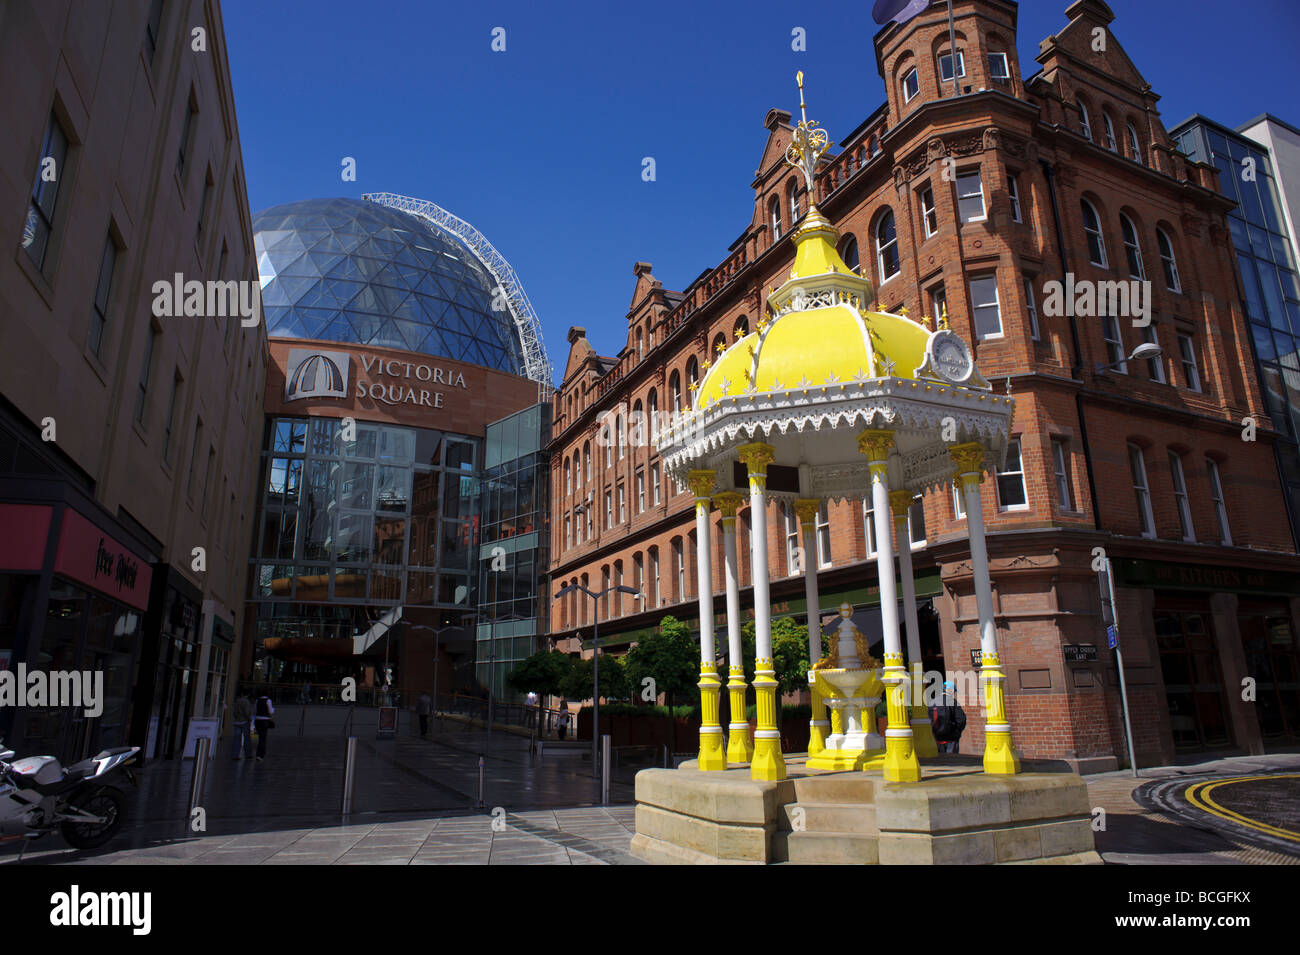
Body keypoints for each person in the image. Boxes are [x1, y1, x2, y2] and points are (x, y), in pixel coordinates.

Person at [931, 680, 967, 754]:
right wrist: (957, 732)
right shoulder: (953, 702)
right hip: (951, 739)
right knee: (952, 761)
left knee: (940, 762)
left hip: (936, 739)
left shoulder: (932, 702)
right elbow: (961, 720)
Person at [253, 689, 276, 761]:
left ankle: (259, 753)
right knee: (263, 738)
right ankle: (260, 754)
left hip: (257, 720)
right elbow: (270, 711)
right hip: (264, 720)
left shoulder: (257, 700)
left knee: (260, 737)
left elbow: (255, 710)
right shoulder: (268, 701)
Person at [230, 692, 253, 760]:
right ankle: (248, 754)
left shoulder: (237, 701)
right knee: (247, 738)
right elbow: (246, 712)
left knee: (237, 739)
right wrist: (249, 718)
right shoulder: (246, 702)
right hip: (244, 722)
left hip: (237, 722)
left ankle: (235, 754)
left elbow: (234, 713)